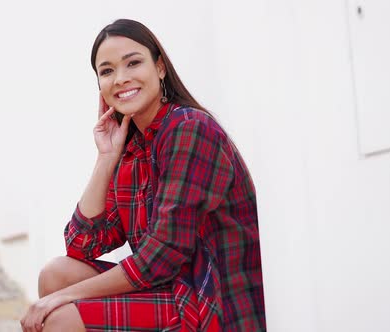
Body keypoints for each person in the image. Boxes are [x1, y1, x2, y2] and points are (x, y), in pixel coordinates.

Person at [20, 18, 266, 332]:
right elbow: (82, 245)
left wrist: (63, 299)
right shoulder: (133, 147)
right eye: (107, 71)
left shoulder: (190, 129)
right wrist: (105, 158)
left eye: (133, 63)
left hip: (212, 303)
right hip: (170, 289)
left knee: (61, 316)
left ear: (160, 67)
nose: (120, 78)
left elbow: (160, 257)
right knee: (55, 274)